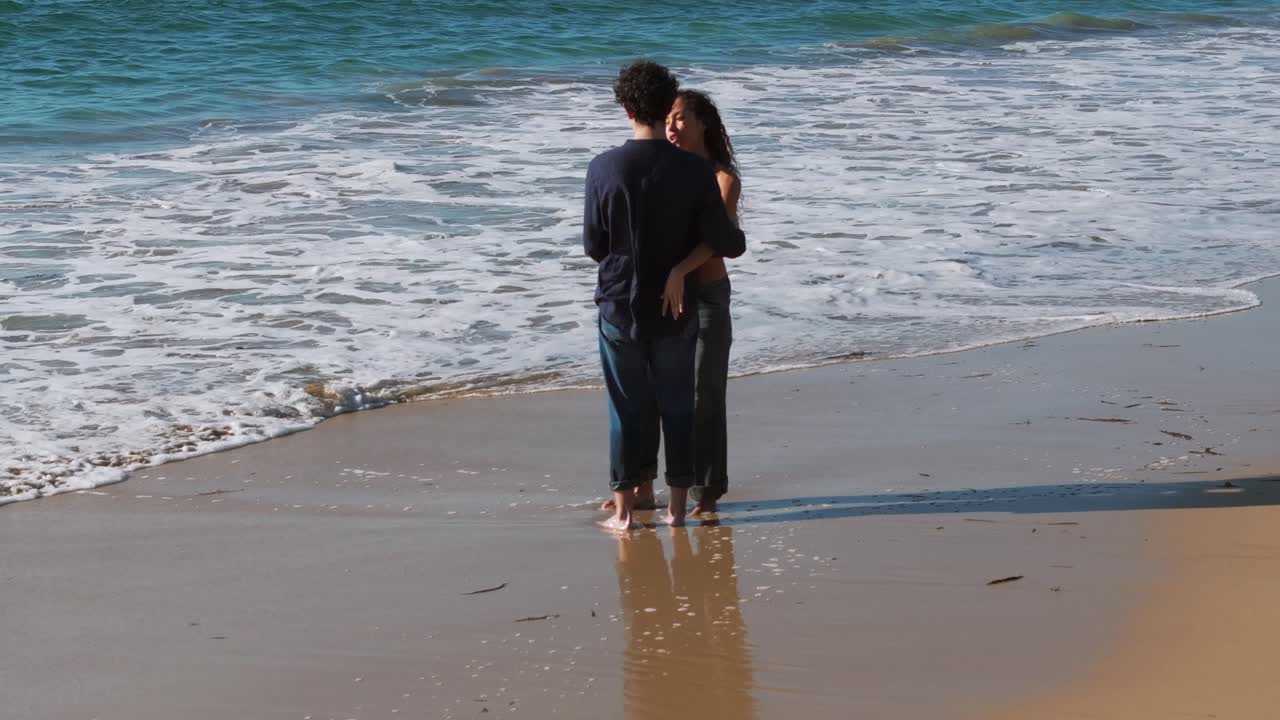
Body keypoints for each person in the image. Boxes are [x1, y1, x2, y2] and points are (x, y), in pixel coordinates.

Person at [584, 61, 745, 531]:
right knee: (678, 403)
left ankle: (626, 512)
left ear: (625, 107)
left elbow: (594, 244)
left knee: (627, 406)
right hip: (678, 308)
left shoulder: (602, 166)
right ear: (661, 106)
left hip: (621, 303)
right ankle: (675, 509)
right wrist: (675, 264)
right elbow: (730, 242)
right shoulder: (693, 172)